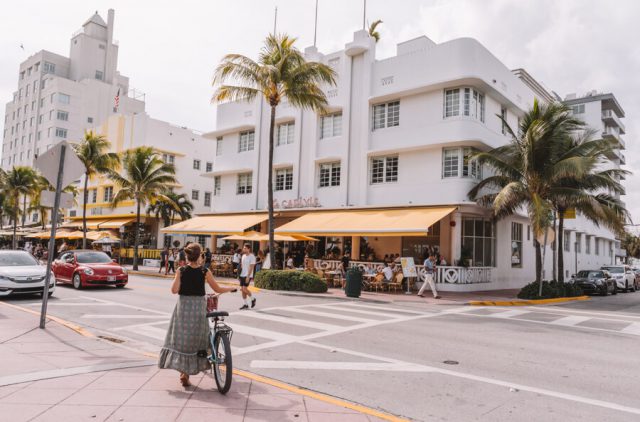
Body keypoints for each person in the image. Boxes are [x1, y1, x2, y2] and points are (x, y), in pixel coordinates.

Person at [158, 243, 236, 387]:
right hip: (198, 309)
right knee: (196, 338)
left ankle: (184, 373)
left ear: (187, 256)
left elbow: (174, 290)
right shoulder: (204, 271)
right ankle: (189, 370)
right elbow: (217, 288)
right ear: (200, 256)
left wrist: (178, 275)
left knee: (183, 339)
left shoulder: (181, 270)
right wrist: (231, 288)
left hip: (183, 308)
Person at [238, 244, 257, 310]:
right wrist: (239, 275)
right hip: (242, 275)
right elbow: (242, 266)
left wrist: (248, 276)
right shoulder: (243, 256)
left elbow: (252, 267)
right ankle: (245, 304)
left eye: (245, 248)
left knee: (244, 289)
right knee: (242, 290)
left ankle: (253, 299)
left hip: (248, 275)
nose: (244, 249)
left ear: (249, 249)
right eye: (244, 248)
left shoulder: (252, 257)